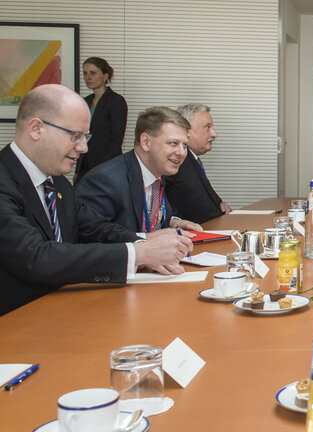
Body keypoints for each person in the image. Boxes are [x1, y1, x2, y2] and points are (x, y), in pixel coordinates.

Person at [0, 85, 193, 316]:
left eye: (85, 137)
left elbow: (94, 228)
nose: (84, 148)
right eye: (75, 136)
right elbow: (36, 257)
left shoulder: (57, 182)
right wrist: (138, 254)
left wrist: (144, 243)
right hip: (15, 322)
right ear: (36, 128)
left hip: (64, 311)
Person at [76, 107, 202, 233]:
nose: (182, 152)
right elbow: (93, 237)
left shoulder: (157, 171)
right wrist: (146, 241)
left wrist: (173, 222)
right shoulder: (104, 180)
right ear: (146, 142)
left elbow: (150, 217)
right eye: (173, 143)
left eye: (184, 145)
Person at [165, 104, 231, 224]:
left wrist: (219, 204)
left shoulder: (192, 158)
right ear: (185, 131)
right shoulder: (175, 160)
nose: (214, 134)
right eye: (207, 127)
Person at [74, 57, 128, 183]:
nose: (88, 77)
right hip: (85, 164)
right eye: (85, 73)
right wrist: (77, 170)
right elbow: (82, 136)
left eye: (93, 73)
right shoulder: (85, 101)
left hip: (107, 165)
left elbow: (116, 139)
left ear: (105, 76)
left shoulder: (116, 101)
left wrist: (103, 168)